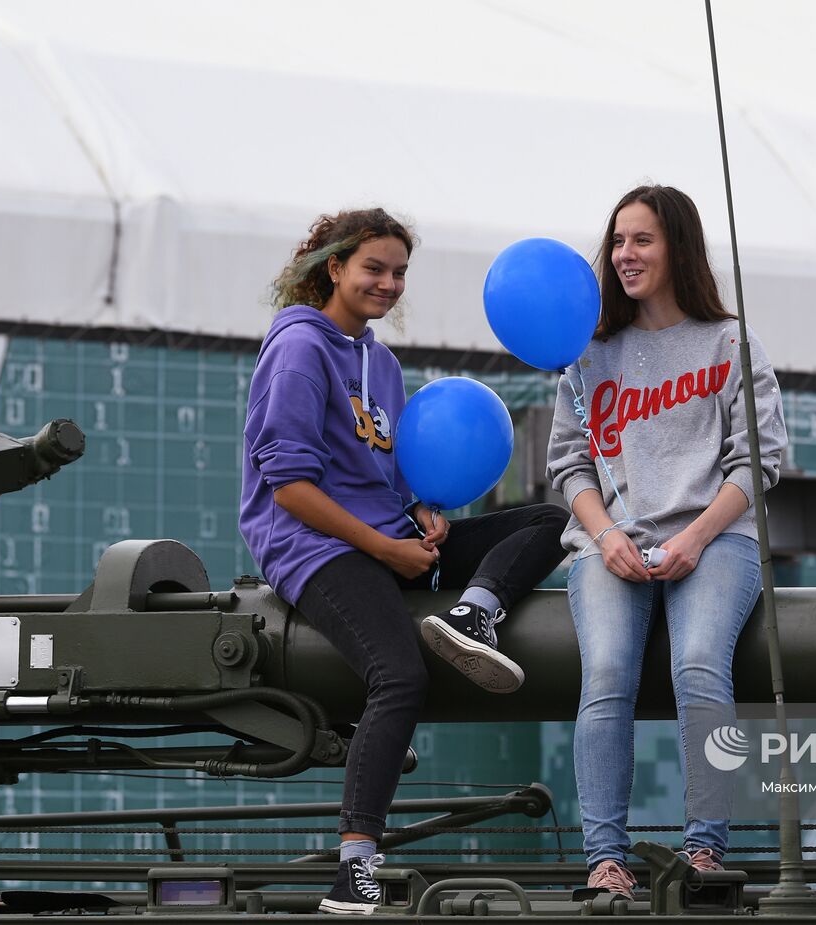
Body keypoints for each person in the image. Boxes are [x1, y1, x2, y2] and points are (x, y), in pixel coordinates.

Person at [240, 208, 568, 914]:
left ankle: (472, 614)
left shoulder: (381, 364)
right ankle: (354, 865)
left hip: (389, 537)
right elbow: (290, 485)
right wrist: (384, 545)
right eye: (374, 269)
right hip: (318, 547)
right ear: (334, 268)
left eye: (399, 273)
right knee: (397, 674)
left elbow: (383, 471)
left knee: (552, 519)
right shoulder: (299, 348)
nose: (388, 284)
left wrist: (418, 510)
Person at [546, 185, 787, 897]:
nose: (624, 254)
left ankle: (706, 850)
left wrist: (696, 536)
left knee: (701, 663)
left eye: (641, 240)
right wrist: (606, 534)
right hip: (609, 544)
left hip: (716, 540)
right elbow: (569, 462)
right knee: (609, 672)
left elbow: (759, 461)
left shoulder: (730, 342)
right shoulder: (589, 353)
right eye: (618, 241)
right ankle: (605, 858)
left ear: (678, 247)